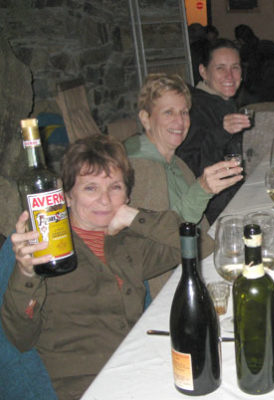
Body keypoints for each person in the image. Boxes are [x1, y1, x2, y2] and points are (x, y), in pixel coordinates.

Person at [1, 134, 182, 400]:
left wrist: (135, 217)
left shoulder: (130, 242)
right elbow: (20, 338)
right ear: (67, 197)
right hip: (86, 385)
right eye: (90, 188)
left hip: (142, 368)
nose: (105, 200)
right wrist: (26, 273)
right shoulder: (44, 249)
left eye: (115, 187)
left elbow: (196, 244)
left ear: (128, 194)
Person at [125, 73, 243, 296]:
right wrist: (202, 190)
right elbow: (160, 240)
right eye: (168, 112)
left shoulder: (177, 163)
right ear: (145, 118)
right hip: (169, 286)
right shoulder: (137, 169)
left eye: (184, 112)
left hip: (196, 264)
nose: (179, 122)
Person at [175, 39, 249, 225]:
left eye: (235, 67)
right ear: (203, 71)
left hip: (230, 199)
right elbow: (190, 167)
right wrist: (221, 131)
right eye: (220, 68)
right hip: (209, 216)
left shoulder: (221, 102)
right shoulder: (192, 108)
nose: (230, 76)